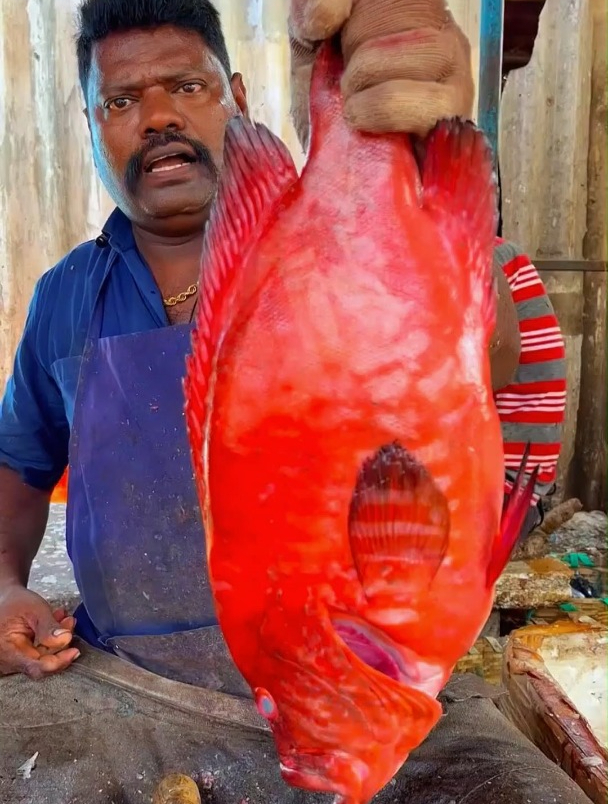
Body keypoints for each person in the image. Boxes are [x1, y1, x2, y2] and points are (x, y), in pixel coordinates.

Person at [0, 2, 580, 803]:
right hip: (128, 684)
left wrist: (404, 132)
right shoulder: (64, 296)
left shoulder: (357, 241)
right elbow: (20, 466)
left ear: (236, 96)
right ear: (92, 126)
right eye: (122, 100)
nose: (158, 117)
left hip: (360, 697)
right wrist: (5, 583)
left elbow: (490, 355)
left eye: (187, 86)